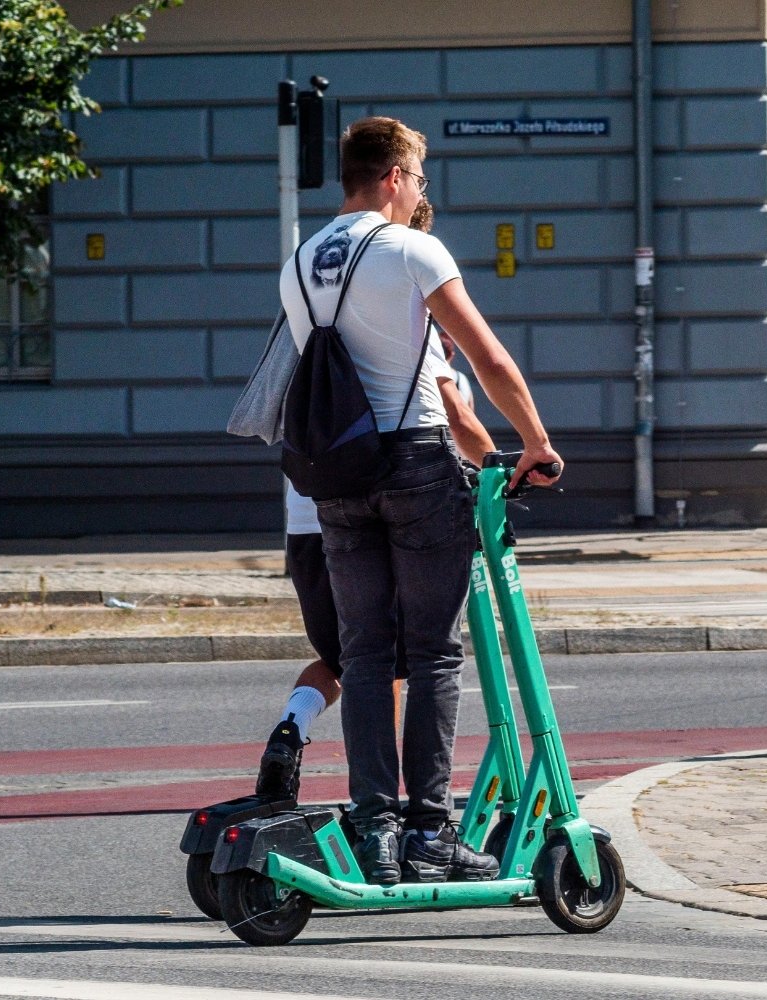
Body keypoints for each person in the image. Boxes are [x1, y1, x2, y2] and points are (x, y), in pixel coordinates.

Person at [280, 116, 560, 886]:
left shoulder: (300, 261)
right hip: (415, 462)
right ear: (395, 177)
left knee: (366, 653)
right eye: (419, 180)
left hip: (339, 476)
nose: (419, 193)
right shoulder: (411, 249)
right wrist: (534, 441)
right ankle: (431, 833)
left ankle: (375, 831)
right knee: (434, 652)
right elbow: (485, 358)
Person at [255, 199, 496, 803]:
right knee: (421, 656)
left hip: (313, 514)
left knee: (353, 657)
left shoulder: (313, 311)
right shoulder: (410, 333)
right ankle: (414, 813)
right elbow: (460, 413)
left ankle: (301, 738)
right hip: (400, 487)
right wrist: (502, 467)